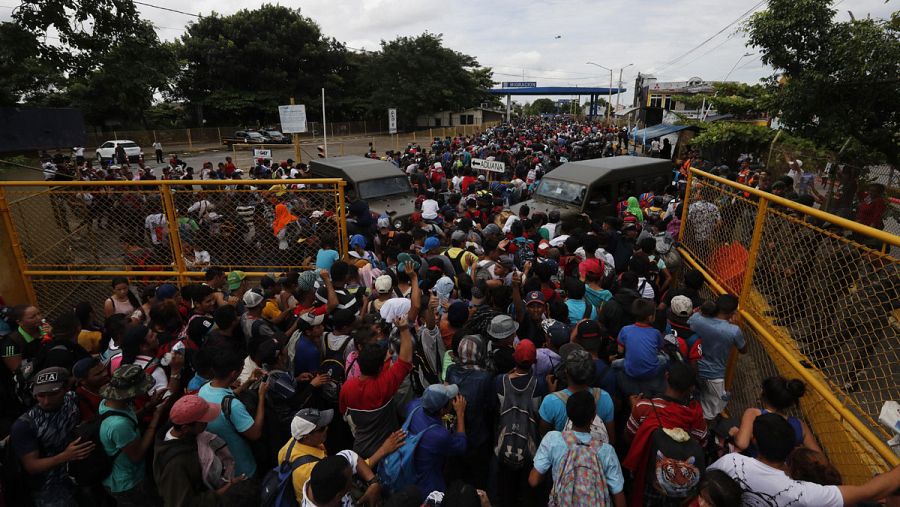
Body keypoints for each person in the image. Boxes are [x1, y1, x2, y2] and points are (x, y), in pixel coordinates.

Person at [710, 413, 900, 506]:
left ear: (755, 441)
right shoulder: (805, 494)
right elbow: (870, 491)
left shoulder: (731, 463)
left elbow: (707, 484)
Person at [622, 361, 707, 507]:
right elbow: (702, 442)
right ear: (691, 388)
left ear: (666, 376)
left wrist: (634, 409)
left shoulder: (643, 407)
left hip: (649, 477)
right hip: (679, 485)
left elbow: (629, 437)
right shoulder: (694, 415)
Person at [9, 367, 93, 506]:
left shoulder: (72, 399)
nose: (46, 401)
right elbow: (31, 466)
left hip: (80, 475)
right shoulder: (25, 425)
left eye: (53, 394)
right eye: (41, 395)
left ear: (65, 389)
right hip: (50, 490)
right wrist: (65, 456)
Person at [278, 408, 397, 505]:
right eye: (322, 428)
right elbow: (349, 471)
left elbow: (350, 458)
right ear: (306, 437)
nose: (327, 428)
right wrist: (383, 450)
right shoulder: (311, 470)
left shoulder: (290, 445)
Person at [529, 390, 626, 507]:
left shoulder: (552, 439)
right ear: (594, 416)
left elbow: (533, 480)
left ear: (568, 413)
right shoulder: (606, 451)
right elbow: (618, 493)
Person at [339, 315, 413, 459]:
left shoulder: (347, 387)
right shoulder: (385, 385)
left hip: (361, 448)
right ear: (381, 367)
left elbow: (344, 411)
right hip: (390, 448)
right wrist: (404, 329)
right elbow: (405, 359)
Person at [154, 394, 245, 506]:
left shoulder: (180, 431)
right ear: (185, 428)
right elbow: (185, 503)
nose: (207, 424)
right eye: (203, 422)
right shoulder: (176, 465)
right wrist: (229, 486)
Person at [98, 364, 169, 505]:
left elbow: (130, 416)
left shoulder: (109, 403)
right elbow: (137, 455)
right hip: (128, 483)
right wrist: (156, 417)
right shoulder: (118, 425)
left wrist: (151, 405)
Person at [198, 347, 268, 478]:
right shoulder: (234, 406)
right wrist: (261, 397)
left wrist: (248, 382)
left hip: (220, 462)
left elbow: (224, 398)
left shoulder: (204, 389)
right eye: (241, 368)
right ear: (233, 374)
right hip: (242, 468)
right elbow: (255, 434)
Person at [404, 383, 468, 500]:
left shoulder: (413, 406)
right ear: (443, 410)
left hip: (409, 470)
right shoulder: (439, 435)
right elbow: (461, 446)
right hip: (427, 481)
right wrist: (460, 413)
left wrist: (440, 391)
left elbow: (429, 399)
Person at [688, 295, 747, 421]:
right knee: (709, 412)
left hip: (692, 367)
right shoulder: (733, 330)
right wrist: (736, 325)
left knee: (689, 399)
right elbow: (743, 349)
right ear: (733, 312)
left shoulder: (696, 318)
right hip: (714, 374)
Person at [731, 376, 822, 455]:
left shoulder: (753, 414)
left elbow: (742, 443)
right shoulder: (800, 425)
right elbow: (820, 458)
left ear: (763, 396)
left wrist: (735, 433)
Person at [616, 298, 666, 397]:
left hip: (630, 371)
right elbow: (660, 348)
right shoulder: (656, 333)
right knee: (664, 359)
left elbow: (620, 350)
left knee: (615, 364)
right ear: (650, 317)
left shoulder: (625, 330)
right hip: (651, 373)